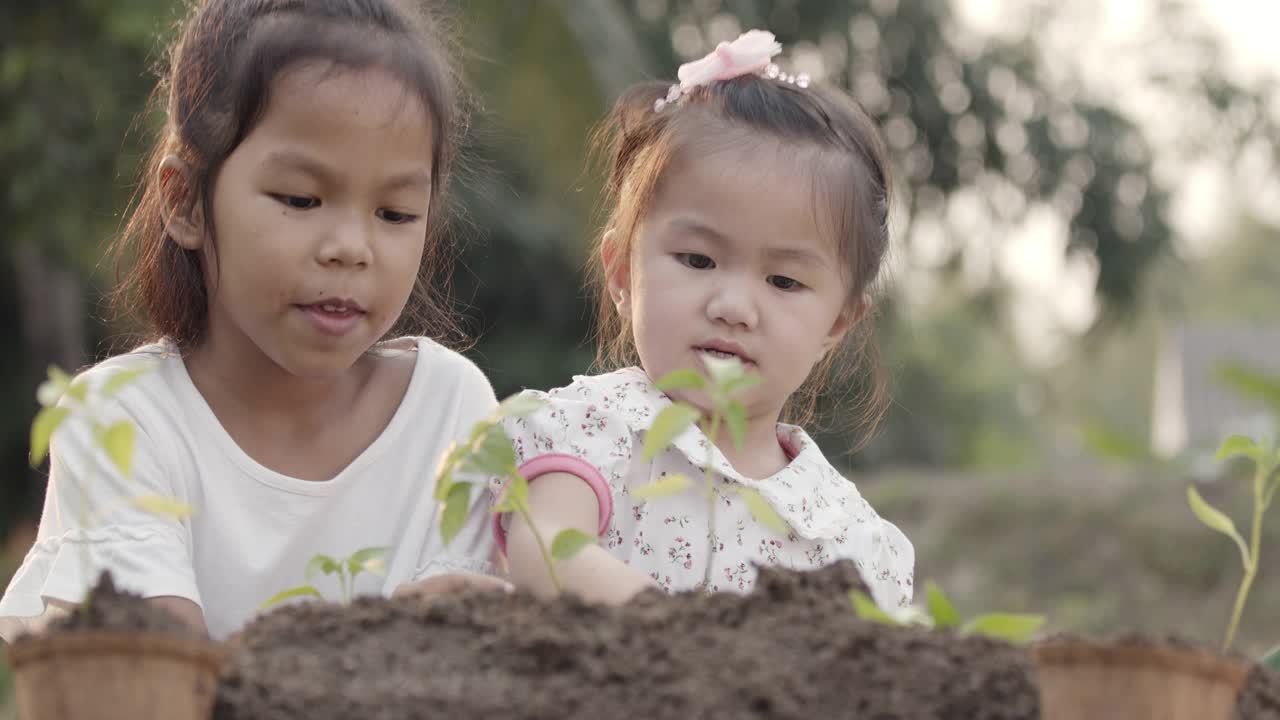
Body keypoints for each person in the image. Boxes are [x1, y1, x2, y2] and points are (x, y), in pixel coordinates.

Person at [0, 0, 502, 642]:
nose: (352, 246)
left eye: (395, 213)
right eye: (301, 199)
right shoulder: (123, 421)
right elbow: (159, 673)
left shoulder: (448, 409)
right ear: (184, 200)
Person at [493, 31, 913, 609]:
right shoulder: (592, 433)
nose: (734, 307)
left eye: (784, 282)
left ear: (837, 325)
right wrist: (690, 641)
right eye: (698, 260)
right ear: (621, 274)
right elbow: (545, 549)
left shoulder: (847, 540)